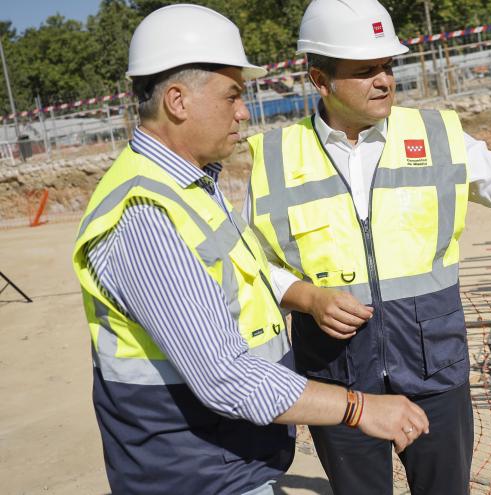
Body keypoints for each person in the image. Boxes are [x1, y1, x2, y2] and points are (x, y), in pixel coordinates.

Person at [246, 1, 491, 493]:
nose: (384, 81)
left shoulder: (435, 135)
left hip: (433, 370)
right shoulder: (276, 157)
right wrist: (306, 297)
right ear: (319, 80)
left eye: (387, 66)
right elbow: (249, 263)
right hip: (339, 381)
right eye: (365, 71)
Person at [71, 5, 427, 495]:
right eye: (233, 95)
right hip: (196, 474)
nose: (244, 111)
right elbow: (225, 376)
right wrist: (359, 407)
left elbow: (243, 286)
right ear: (177, 101)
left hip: (227, 461)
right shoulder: (144, 215)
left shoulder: (190, 187)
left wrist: (307, 297)